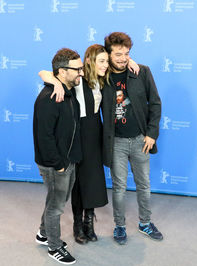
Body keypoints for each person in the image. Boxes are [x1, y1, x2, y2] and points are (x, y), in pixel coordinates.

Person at [38, 44, 139, 245]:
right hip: (77, 134)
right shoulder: (76, 78)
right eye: (101, 61)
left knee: (92, 180)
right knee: (76, 183)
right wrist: (54, 82)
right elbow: (44, 72)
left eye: (106, 61)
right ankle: (77, 225)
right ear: (89, 62)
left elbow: (121, 66)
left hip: (95, 134)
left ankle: (89, 223)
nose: (106, 64)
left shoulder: (103, 80)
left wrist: (132, 61)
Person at [101, 32, 163, 245]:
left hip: (140, 140)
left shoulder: (142, 72)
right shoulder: (101, 76)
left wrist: (151, 134)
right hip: (115, 142)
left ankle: (145, 223)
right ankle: (119, 226)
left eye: (127, 54)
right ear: (108, 54)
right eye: (117, 54)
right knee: (119, 187)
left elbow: (155, 103)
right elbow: (86, 61)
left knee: (144, 184)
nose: (123, 58)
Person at [33, 48, 83, 265]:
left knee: (55, 199)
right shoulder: (50, 97)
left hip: (68, 159)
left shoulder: (68, 92)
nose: (81, 73)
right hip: (56, 164)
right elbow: (44, 137)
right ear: (62, 72)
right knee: (56, 206)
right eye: (77, 69)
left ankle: (43, 233)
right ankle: (54, 246)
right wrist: (59, 165)